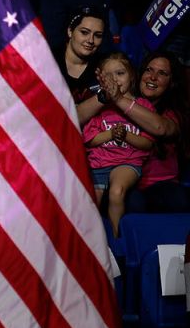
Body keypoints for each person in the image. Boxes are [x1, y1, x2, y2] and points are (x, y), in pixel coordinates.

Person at [76, 53, 188, 215]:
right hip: (121, 183)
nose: (153, 77)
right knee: (132, 201)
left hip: (160, 185)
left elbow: (161, 128)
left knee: (179, 199)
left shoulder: (173, 113)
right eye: (149, 70)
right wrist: (105, 95)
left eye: (162, 73)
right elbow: (75, 117)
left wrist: (118, 98)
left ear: (172, 82)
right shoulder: (112, 104)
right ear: (139, 74)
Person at [81, 54, 155, 237]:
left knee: (116, 191)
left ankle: (117, 239)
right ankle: (91, 243)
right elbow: (89, 140)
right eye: (108, 76)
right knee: (89, 202)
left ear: (131, 76)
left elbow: (147, 144)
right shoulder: (99, 107)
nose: (114, 80)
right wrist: (111, 134)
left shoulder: (142, 106)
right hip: (98, 164)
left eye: (120, 73)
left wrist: (126, 136)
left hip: (127, 163)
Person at [59, 7, 107, 103]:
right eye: (84, 32)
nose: (91, 40)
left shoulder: (104, 67)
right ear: (70, 31)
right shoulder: (48, 60)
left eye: (97, 35)